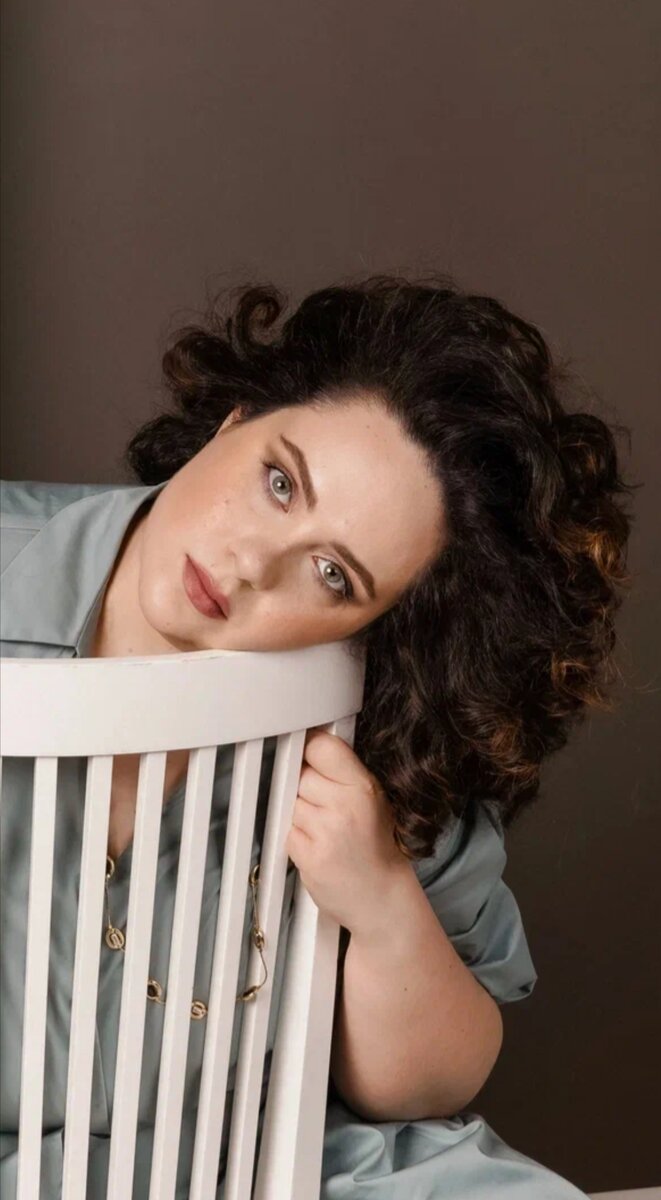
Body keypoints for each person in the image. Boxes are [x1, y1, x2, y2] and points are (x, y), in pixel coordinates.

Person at [0, 274, 634, 1198]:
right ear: (234, 420)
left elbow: (430, 1086)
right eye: (278, 482)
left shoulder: (373, 722)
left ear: (377, 624)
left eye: (333, 574)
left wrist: (378, 897)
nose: (252, 563)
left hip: (260, 1166)